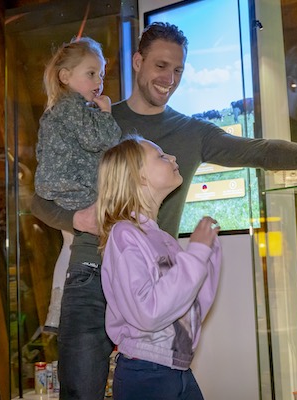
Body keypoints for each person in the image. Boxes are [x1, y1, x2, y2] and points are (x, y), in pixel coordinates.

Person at [30, 22, 297, 399]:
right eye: (160, 66)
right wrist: (77, 219)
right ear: (137, 62)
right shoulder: (97, 121)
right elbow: (40, 196)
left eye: (178, 70)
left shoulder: (192, 133)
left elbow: (259, 150)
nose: (169, 78)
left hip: (153, 285)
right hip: (91, 275)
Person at [97, 136, 221, 399]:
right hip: (146, 372)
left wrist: (207, 255)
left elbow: (189, 309)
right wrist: (196, 255)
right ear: (139, 177)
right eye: (162, 156)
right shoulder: (124, 235)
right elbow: (148, 313)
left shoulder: (163, 239)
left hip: (178, 369)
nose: (174, 159)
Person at [34, 37, 121, 334]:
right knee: (99, 245)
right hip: (76, 190)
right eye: (91, 73)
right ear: (66, 76)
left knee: (70, 248)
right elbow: (105, 140)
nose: (99, 81)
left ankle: (56, 314)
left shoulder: (60, 109)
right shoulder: (74, 108)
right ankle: (88, 311)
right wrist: (107, 113)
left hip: (62, 189)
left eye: (101, 74)